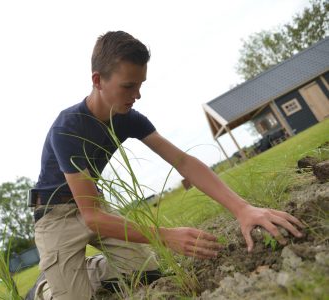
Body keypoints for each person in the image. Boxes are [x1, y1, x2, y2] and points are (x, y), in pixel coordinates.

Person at [27, 31, 304, 300]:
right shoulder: (67, 128)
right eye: (128, 86)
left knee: (145, 272)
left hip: (93, 205)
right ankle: (46, 287)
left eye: (140, 85)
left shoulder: (128, 118)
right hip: (55, 216)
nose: (137, 95)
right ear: (98, 80)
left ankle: (83, 270)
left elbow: (183, 162)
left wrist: (242, 208)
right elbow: (92, 218)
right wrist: (166, 236)